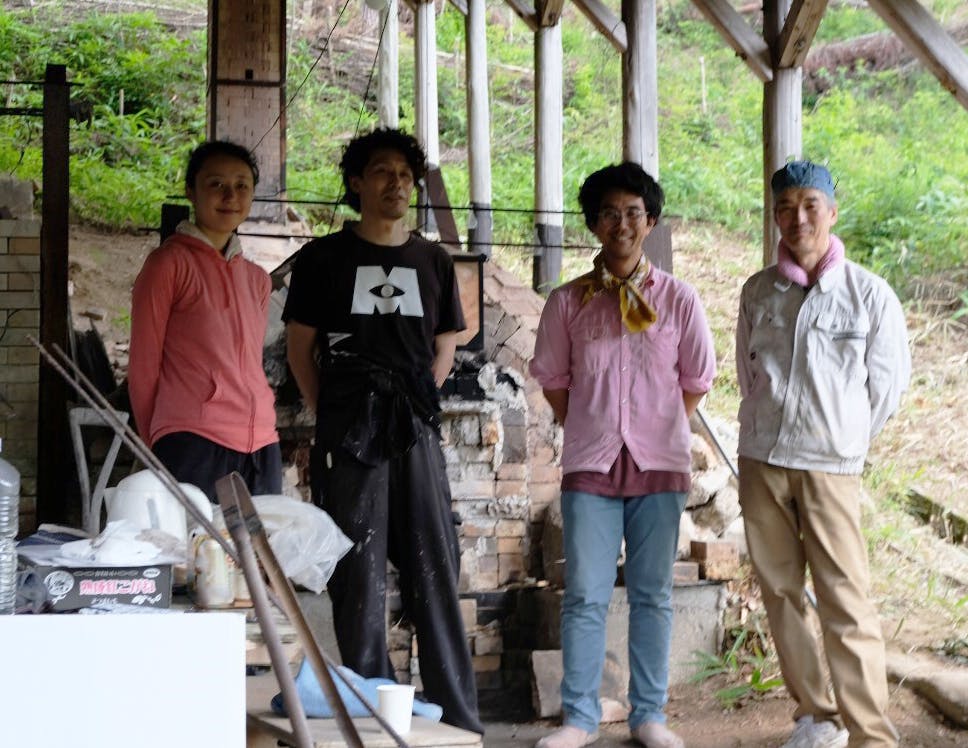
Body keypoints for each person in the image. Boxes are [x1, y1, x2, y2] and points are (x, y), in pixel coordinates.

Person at [283, 127, 483, 735]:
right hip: (349, 423)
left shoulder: (433, 260)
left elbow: (445, 345)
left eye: (404, 175)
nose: (396, 184)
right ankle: (374, 711)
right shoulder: (323, 258)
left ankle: (455, 717)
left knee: (433, 561)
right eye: (381, 172)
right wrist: (331, 413)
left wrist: (419, 400)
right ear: (356, 183)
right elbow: (300, 348)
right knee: (359, 568)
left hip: (414, 421)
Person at [530, 162, 716, 748]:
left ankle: (649, 715)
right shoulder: (568, 302)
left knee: (652, 595)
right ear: (593, 224)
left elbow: (696, 379)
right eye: (609, 214)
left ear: (650, 221)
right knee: (585, 594)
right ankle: (579, 718)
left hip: (660, 465)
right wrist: (592, 426)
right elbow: (553, 380)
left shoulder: (680, 300)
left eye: (633, 213)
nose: (622, 224)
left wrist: (654, 427)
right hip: (591, 465)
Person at [736, 160, 910, 748]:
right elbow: (749, 374)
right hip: (763, 459)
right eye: (785, 208)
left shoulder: (868, 295)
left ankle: (870, 734)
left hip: (830, 465)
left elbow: (886, 388)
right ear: (775, 217)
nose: (798, 219)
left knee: (845, 600)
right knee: (780, 592)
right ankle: (817, 716)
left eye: (811, 205)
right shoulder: (759, 291)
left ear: (832, 213)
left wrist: (844, 438)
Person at [129, 140, 281, 501]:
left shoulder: (257, 279)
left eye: (242, 185)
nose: (230, 195)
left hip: (261, 443)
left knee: (260, 540)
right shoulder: (168, 264)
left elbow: (250, 362)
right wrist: (155, 441)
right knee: (197, 538)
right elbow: (143, 368)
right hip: (193, 440)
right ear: (190, 192)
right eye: (216, 184)